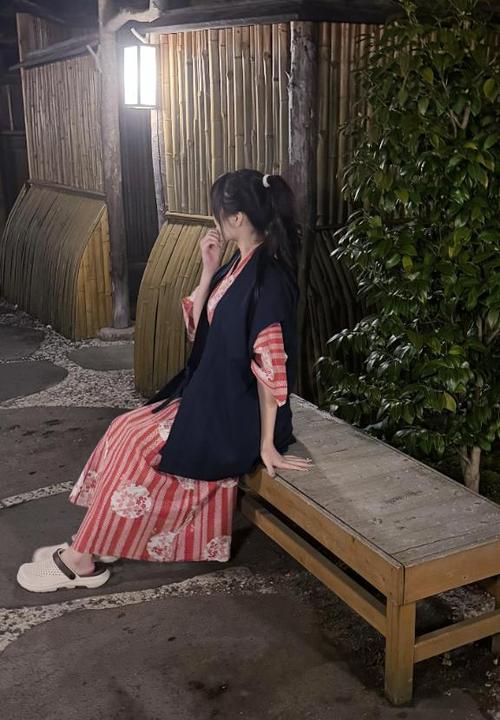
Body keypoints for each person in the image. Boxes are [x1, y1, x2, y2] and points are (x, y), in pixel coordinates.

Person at [16, 169, 313, 593]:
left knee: (139, 447)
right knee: (124, 428)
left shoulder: (270, 278)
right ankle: (98, 540)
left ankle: (81, 559)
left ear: (238, 218)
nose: (214, 220)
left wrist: (267, 444)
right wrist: (208, 271)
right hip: (214, 398)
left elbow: (270, 366)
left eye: (218, 212)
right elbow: (202, 328)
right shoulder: (239, 265)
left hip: (239, 416)